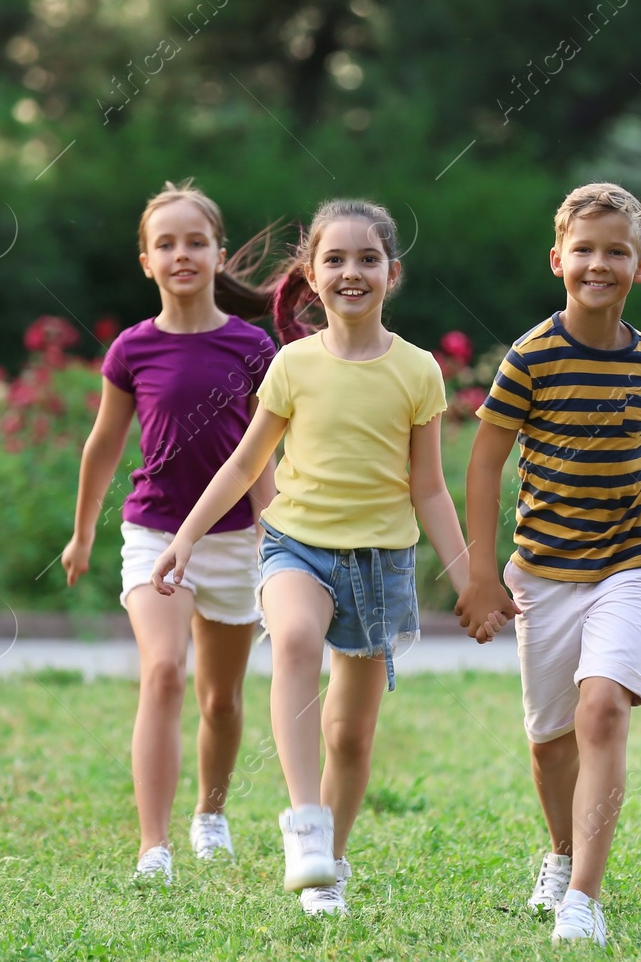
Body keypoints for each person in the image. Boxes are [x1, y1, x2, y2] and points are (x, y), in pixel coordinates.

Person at [148, 199, 469, 917]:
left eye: (367, 259)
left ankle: (329, 866)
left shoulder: (419, 371)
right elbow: (240, 466)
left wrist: (469, 577)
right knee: (292, 639)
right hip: (296, 545)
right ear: (312, 276)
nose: (351, 272)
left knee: (349, 737)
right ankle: (304, 823)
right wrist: (187, 536)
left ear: (392, 271)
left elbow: (431, 488)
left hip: (379, 563)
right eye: (336, 259)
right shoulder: (292, 364)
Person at [456, 182, 641, 946]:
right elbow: (485, 466)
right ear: (558, 260)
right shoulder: (531, 357)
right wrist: (482, 573)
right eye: (584, 249)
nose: (599, 263)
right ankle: (558, 851)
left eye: (616, 251)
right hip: (542, 571)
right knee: (551, 740)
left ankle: (583, 896)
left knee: (602, 709)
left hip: (633, 561)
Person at [61, 179, 278, 886]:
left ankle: (209, 813)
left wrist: (277, 542)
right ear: (147, 261)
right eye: (166, 243)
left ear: (218, 252)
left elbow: (264, 455)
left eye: (195, 241)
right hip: (154, 533)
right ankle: (154, 844)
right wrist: (83, 533)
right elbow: (101, 445)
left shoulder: (254, 345)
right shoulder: (132, 349)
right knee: (161, 672)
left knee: (221, 698)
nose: (181, 253)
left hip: (237, 540)